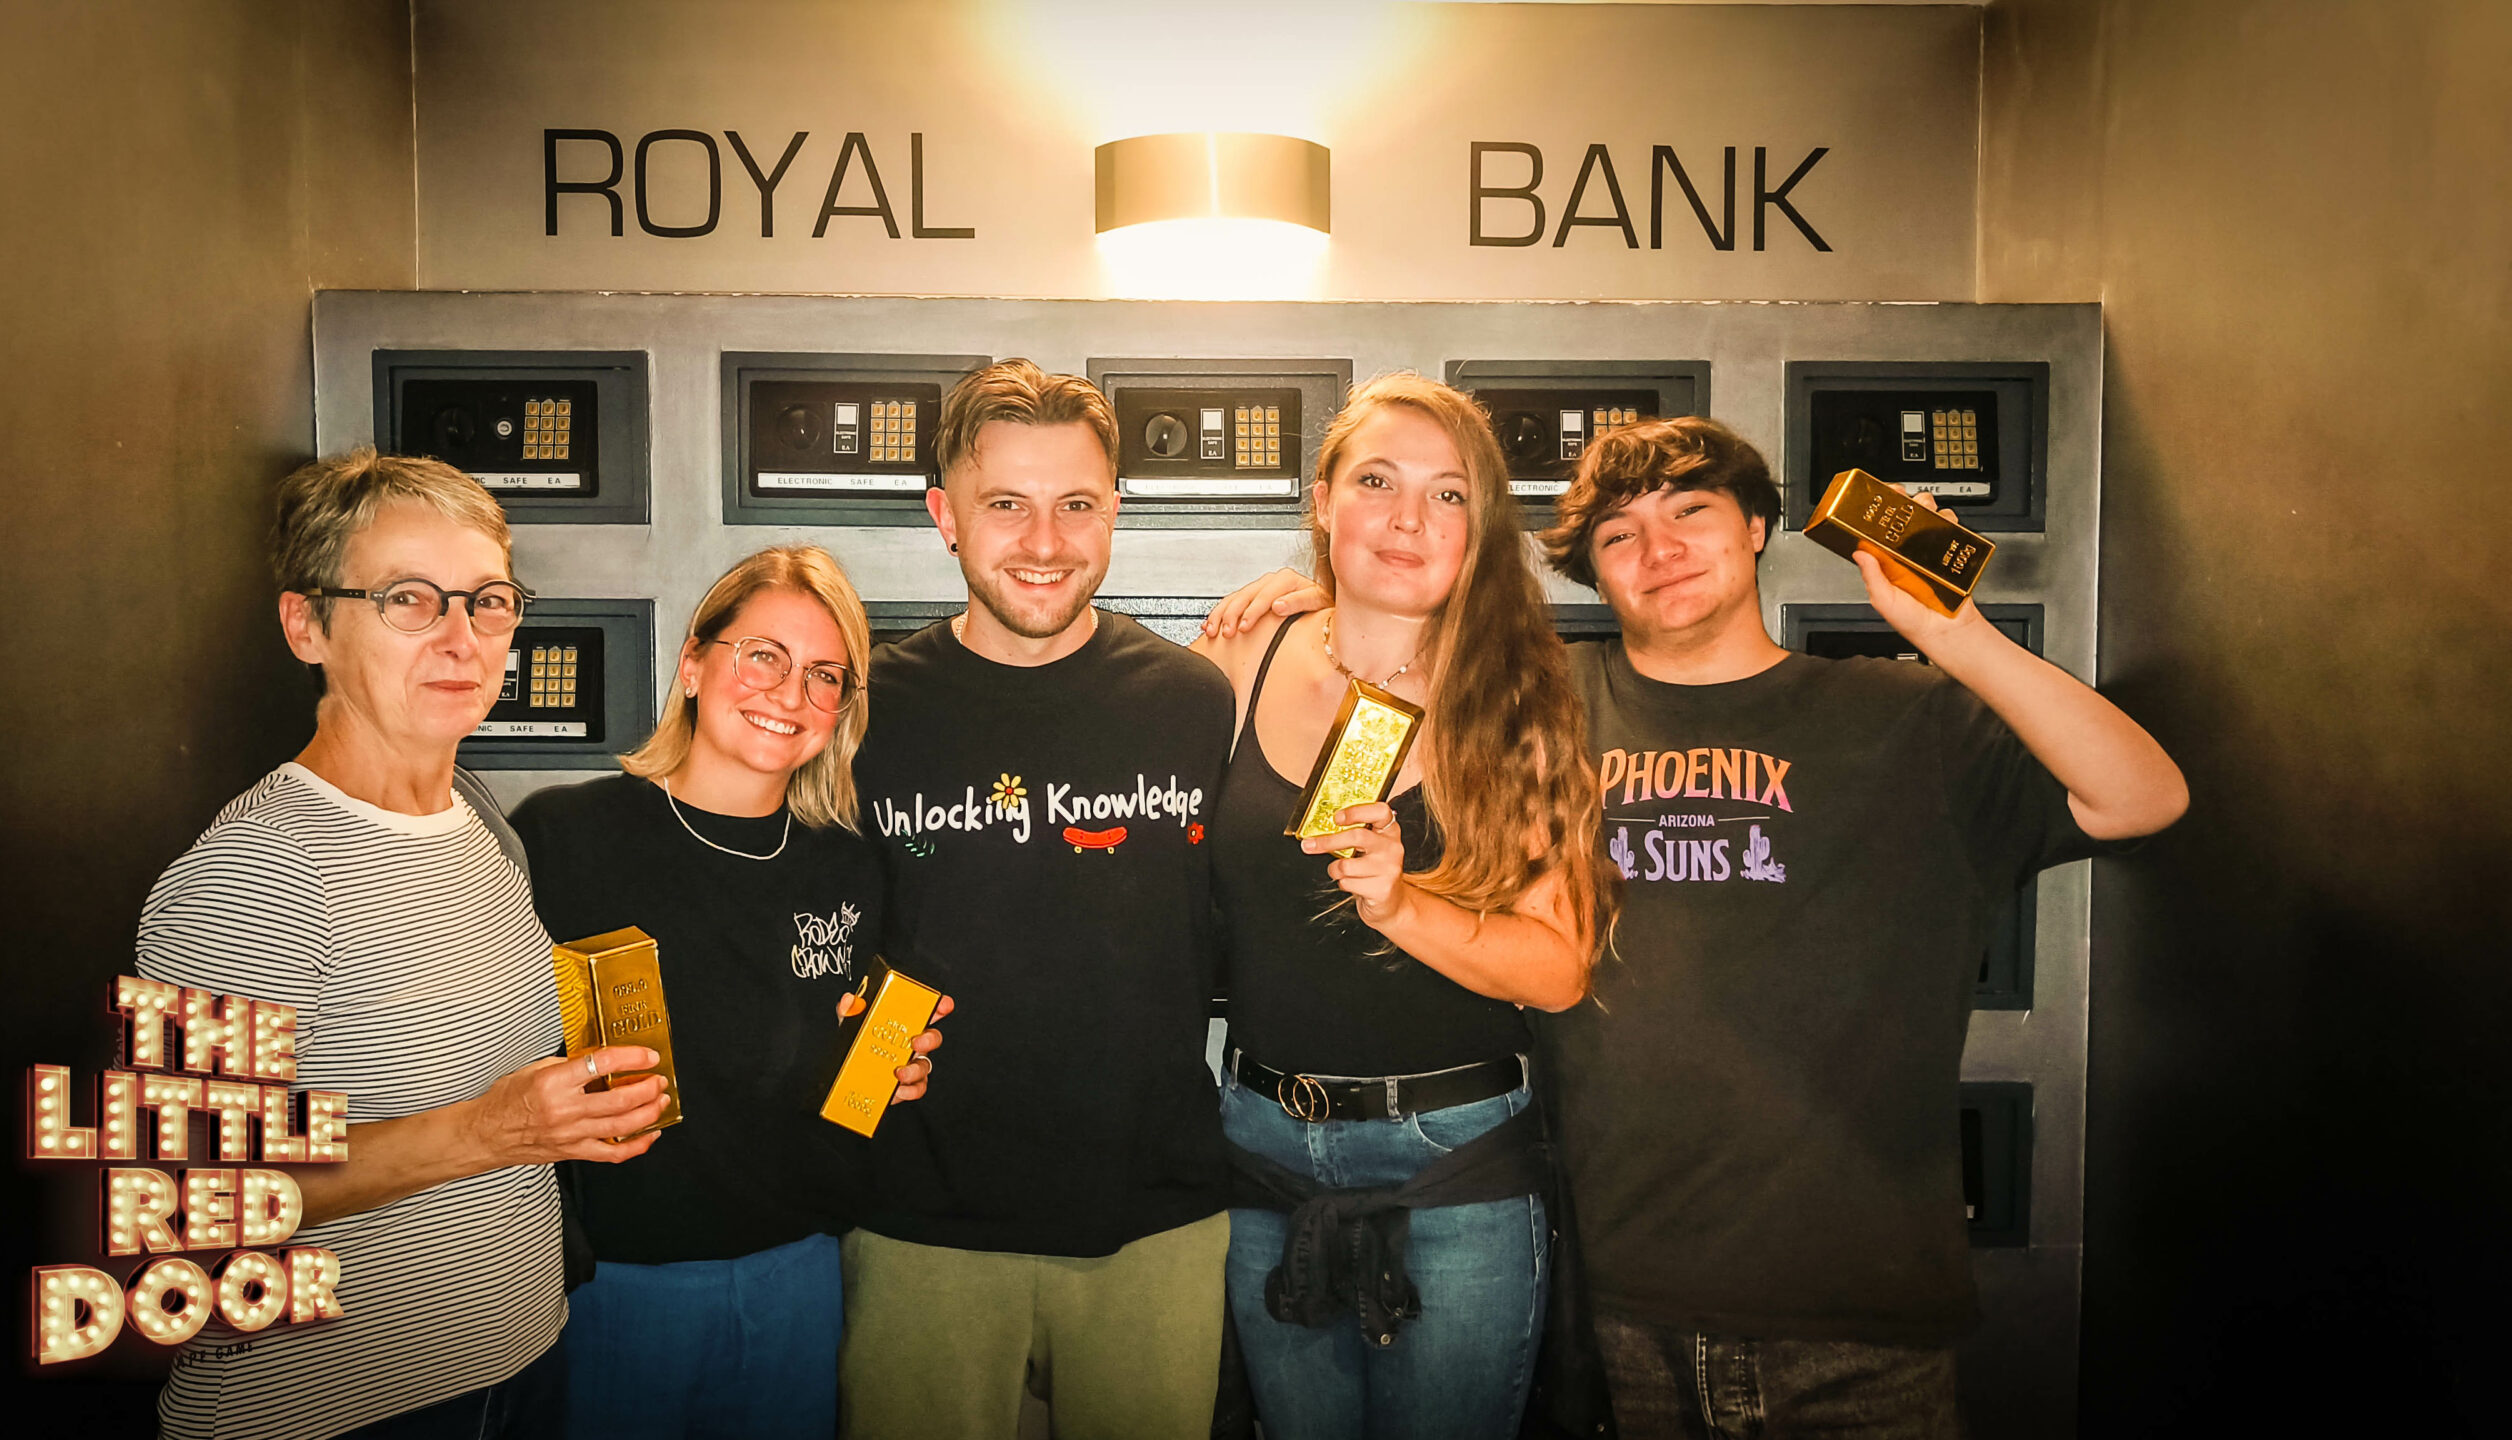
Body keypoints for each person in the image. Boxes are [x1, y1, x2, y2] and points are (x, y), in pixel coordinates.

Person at [1528, 418, 2188, 1437]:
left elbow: (2143, 798)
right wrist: (1307, 613)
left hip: (1861, 1315)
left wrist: (1956, 635)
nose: (1659, 549)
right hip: (1619, 1308)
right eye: (1619, 535)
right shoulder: (1547, 711)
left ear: (1755, 527)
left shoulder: (1907, 716)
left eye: (1690, 510)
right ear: (1593, 573)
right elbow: (1385, 688)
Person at [136, 449, 667, 1440]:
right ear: (307, 626)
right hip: (332, 1411)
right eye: (408, 600)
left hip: (520, 1364)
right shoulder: (251, 876)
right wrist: (488, 1131)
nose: (461, 639)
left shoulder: (478, 819)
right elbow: (189, 1204)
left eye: (488, 602)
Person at [1184, 373, 1609, 1440]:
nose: (1408, 519)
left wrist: (1401, 904)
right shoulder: (1240, 653)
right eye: (1376, 482)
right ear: (1322, 502)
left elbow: (1559, 970)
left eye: (1447, 493)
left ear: (1479, 528)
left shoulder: (1515, 699)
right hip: (1262, 1146)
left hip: (1454, 1159)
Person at [839, 359, 1235, 1440]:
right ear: (945, 517)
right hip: (917, 1219)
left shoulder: (1193, 700)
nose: (1045, 541)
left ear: (1115, 512)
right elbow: (813, 930)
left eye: (1076, 505)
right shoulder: (866, 709)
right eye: (1006, 505)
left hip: (1154, 1218)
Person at [507, 546, 947, 1440]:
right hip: (615, 1284)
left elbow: (842, 1068)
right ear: (693, 664)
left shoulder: (851, 865)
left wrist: (894, 1069)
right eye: (763, 657)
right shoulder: (564, 836)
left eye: (824, 675)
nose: (790, 694)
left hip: (801, 1274)